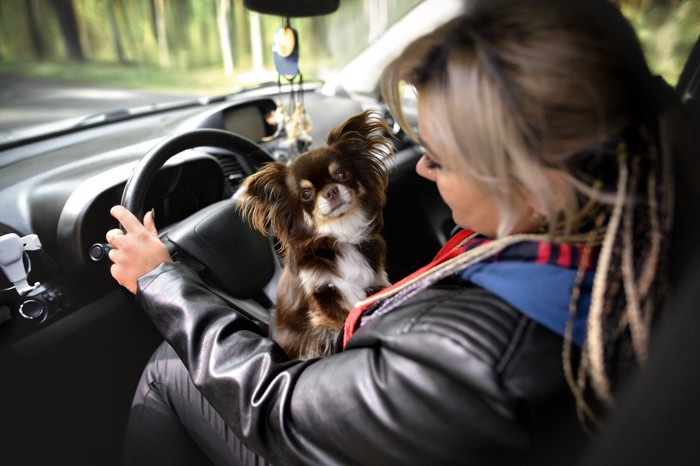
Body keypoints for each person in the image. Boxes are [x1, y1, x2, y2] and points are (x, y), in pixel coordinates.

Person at [106, 0, 688, 464]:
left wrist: (160, 279)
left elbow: (273, 407)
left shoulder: (469, 356)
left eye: (439, 156)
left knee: (169, 367)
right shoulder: (641, 212)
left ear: (532, 185)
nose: (426, 169)